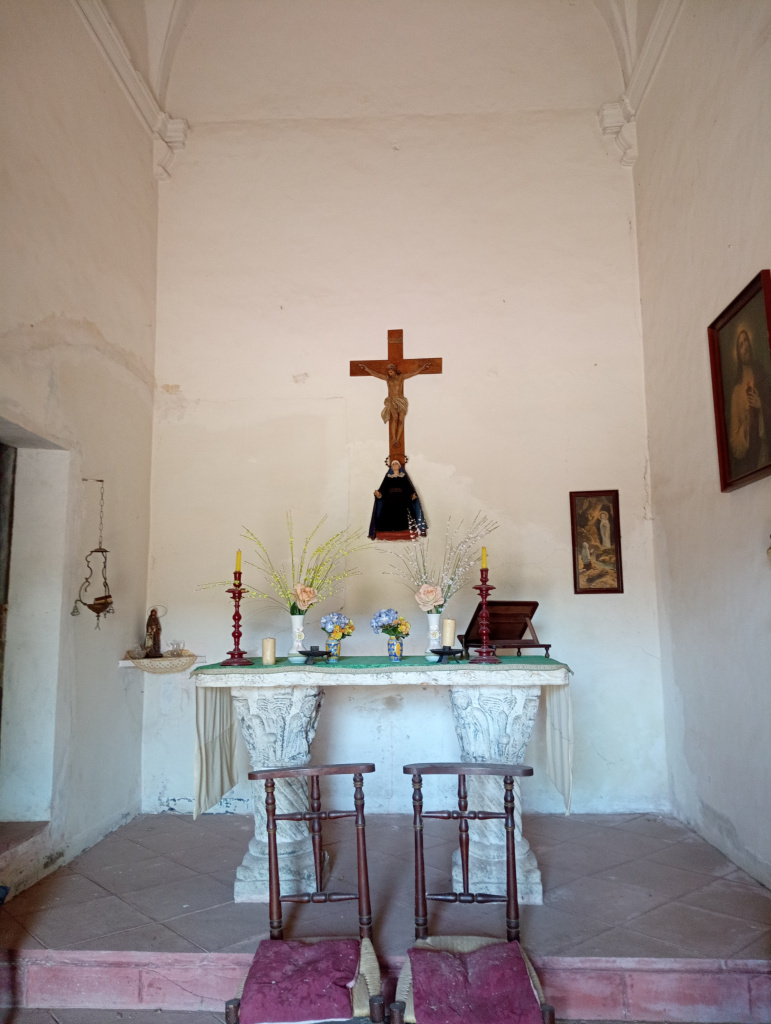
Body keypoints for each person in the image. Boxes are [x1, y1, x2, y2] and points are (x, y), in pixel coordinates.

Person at [357, 361, 433, 452]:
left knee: (401, 419)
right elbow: (375, 374)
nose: (390, 373)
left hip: (401, 400)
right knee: (395, 418)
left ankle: (398, 437)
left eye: (391, 371)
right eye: (388, 372)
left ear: (395, 370)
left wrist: (423, 368)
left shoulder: (401, 377)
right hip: (392, 400)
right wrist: (366, 369)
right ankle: (394, 439)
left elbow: (413, 373)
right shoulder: (387, 379)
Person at [729, 326, 771, 478]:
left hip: (765, 449)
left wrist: (761, 406)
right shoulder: (736, 392)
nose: (745, 346)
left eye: (746, 341)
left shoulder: (762, 374)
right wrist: (746, 425)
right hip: (750, 459)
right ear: (738, 353)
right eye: (741, 345)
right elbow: (734, 443)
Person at [369, 459, 427, 540]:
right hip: (389, 502)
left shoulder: (403, 478)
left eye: (397, 464)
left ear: (400, 466)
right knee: (388, 518)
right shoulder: (388, 479)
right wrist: (378, 494)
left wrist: (412, 495)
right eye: (393, 464)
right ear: (391, 467)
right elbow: (383, 490)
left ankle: (406, 533)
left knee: (405, 517)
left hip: (403, 501)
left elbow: (409, 489)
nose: (395, 465)